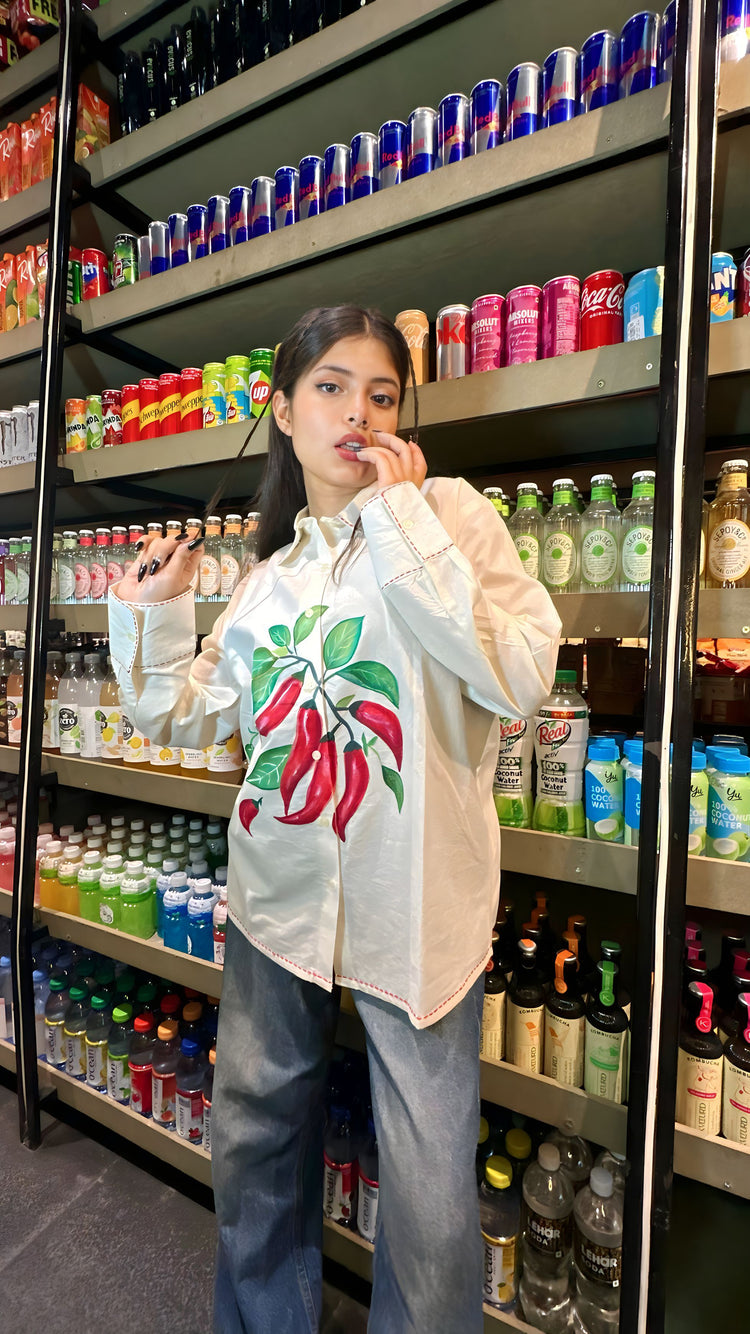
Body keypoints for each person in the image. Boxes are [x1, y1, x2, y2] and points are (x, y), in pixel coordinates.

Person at [108, 304, 561, 1334]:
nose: (359, 411)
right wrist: (155, 609)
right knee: (255, 1142)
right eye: (331, 387)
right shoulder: (270, 578)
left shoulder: (448, 515)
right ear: (283, 411)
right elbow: (184, 714)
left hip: (418, 908)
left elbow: (520, 673)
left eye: (382, 394)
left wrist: (400, 521)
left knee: (432, 1195)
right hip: (279, 898)